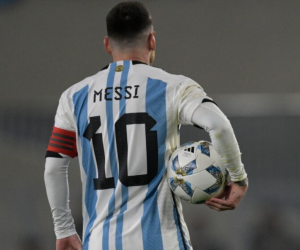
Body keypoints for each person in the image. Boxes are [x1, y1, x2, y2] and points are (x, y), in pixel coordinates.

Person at [44, 1, 248, 250]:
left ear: (107, 45)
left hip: (99, 242)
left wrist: (64, 228)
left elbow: (54, 167)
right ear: (152, 40)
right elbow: (220, 127)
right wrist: (238, 179)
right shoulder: (174, 88)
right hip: (160, 242)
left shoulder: (75, 96)